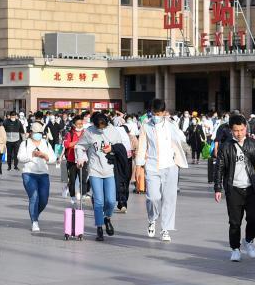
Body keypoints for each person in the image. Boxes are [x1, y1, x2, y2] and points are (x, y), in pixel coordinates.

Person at [214, 115, 255, 262]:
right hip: (234, 189)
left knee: (253, 219)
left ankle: (249, 240)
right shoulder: (226, 146)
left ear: (246, 127)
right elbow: (219, 167)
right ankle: (235, 248)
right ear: (231, 130)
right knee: (234, 222)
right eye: (236, 130)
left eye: (242, 129)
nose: (239, 133)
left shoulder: (254, 144)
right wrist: (218, 188)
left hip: (251, 188)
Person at [135, 99, 188, 242]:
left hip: (170, 166)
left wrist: (174, 125)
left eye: (159, 113)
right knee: (153, 197)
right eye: (154, 113)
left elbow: (182, 138)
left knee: (169, 199)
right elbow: (142, 146)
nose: (157, 116)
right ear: (151, 111)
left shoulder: (171, 124)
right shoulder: (145, 126)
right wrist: (139, 164)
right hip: (152, 165)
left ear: (164, 112)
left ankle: (165, 229)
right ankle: (152, 219)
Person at [76, 112, 124, 241]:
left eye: (103, 126)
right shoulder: (89, 132)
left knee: (111, 201)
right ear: (94, 124)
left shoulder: (112, 131)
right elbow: (79, 146)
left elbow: (120, 147)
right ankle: (99, 227)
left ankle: (107, 218)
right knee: (99, 201)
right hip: (95, 170)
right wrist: (80, 158)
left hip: (109, 169)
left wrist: (112, 149)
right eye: (99, 127)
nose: (101, 129)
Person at [17, 122, 55, 233]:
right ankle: (34, 221)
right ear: (31, 132)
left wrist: (45, 156)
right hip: (29, 174)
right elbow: (20, 157)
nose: (37, 134)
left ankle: (34, 214)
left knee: (44, 199)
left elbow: (53, 158)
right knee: (34, 197)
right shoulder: (25, 144)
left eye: (39, 132)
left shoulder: (46, 143)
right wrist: (31, 155)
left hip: (43, 174)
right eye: (35, 132)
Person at [63, 115, 88, 199]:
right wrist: (78, 142)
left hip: (83, 159)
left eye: (81, 123)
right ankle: (72, 195)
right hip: (71, 159)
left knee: (83, 178)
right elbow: (67, 145)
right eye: (78, 124)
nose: (80, 125)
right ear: (74, 124)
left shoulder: (86, 133)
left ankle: (84, 194)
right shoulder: (69, 133)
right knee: (72, 180)